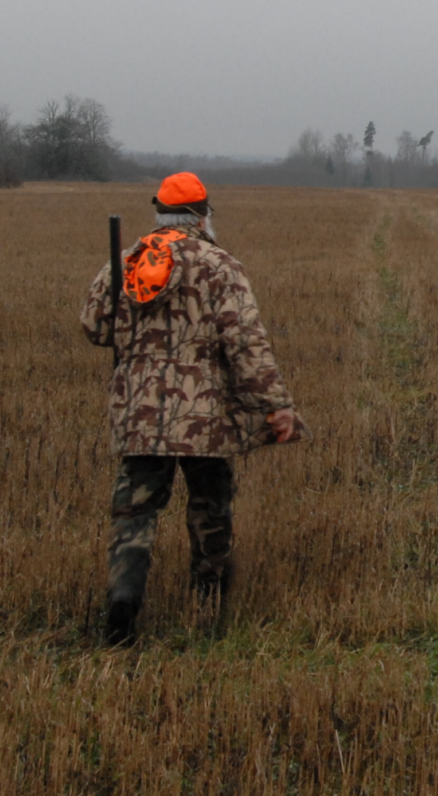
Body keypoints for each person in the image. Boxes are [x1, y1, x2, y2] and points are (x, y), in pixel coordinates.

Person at [81, 172, 307, 645]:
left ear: (158, 212)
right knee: (210, 507)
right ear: (202, 213)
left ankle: (122, 611)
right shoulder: (220, 264)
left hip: (140, 414)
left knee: (134, 513)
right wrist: (276, 405)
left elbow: (95, 329)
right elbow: (245, 342)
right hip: (205, 415)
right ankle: (208, 608)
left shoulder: (127, 261)